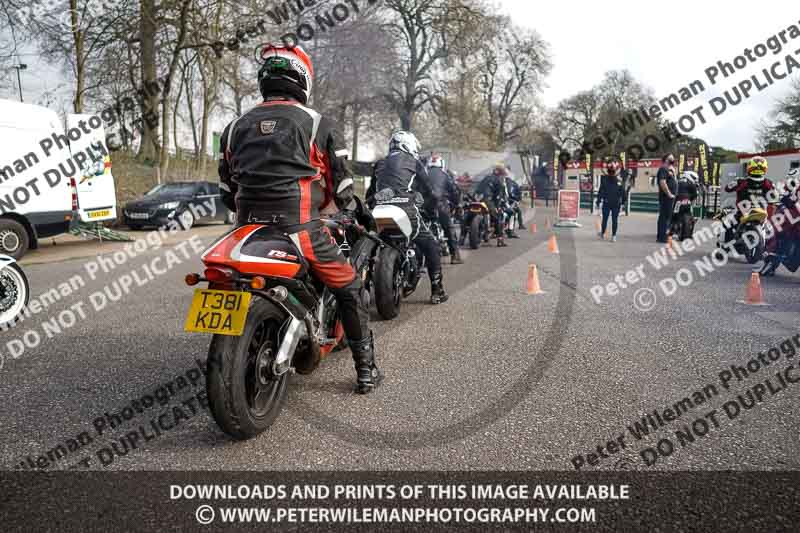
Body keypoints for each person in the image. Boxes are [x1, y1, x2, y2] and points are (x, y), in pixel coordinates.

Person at [217, 45, 382, 394]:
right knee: (350, 288)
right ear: (302, 79)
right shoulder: (317, 123)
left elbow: (227, 191)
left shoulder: (233, 128)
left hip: (246, 230)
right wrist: (353, 208)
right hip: (299, 230)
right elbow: (343, 187)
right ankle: (366, 370)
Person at [367, 132, 449, 304]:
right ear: (408, 145)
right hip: (405, 210)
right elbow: (430, 192)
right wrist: (431, 209)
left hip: (379, 209)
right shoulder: (415, 162)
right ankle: (437, 290)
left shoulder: (380, 163)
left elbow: (371, 192)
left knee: (372, 246)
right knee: (431, 245)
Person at [427, 155, 463, 264]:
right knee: (449, 228)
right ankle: (455, 256)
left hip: (423, 206)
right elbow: (454, 191)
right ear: (441, 163)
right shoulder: (444, 175)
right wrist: (457, 204)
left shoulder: (423, 173)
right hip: (439, 205)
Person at [475, 164, 510, 247]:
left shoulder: (486, 177)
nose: (503, 176)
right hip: (487, 200)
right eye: (503, 174)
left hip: (476, 198)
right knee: (498, 218)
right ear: (501, 173)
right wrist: (497, 206)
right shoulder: (498, 181)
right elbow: (498, 196)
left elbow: (478, 188)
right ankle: (500, 240)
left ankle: (462, 238)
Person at [596, 158, 626, 242]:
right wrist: (623, 202)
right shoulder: (619, 181)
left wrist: (598, 201)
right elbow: (623, 192)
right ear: (616, 171)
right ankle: (614, 236)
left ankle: (602, 233)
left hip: (607, 202)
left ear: (608, 171)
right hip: (616, 203)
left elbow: (600, 192)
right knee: (614, 219)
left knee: (605, 219)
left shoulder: (604, 181)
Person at [656, 154, 678, 243]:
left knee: (668, 217)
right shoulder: (663, 169)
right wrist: (669, 194)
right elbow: (662, 182)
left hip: (671, 198)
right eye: (671, 158)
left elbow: (674, 181)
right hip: (666, 197)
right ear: (666, 160)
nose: (673, 159)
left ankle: (665, 235)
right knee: (664, 217)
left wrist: (674, 172)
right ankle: (662, 237)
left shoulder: (670, 170)